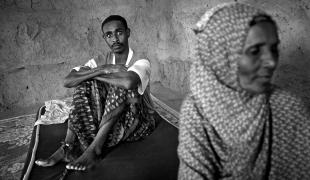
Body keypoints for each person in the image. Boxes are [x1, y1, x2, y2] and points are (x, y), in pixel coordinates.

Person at [177, 3, 310, 180]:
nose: (271, 62)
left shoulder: (288, 108)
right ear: (221, 56)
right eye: (254, 51)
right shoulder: (197, 111)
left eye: (273, 49)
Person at [35, 15, 156, 171]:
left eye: (119, 32)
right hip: (108, 117)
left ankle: (94, 149)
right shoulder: (100, 60)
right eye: (109, 35)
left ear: (128, 32)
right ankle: (68, 147)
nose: (115, 39)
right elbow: (68, 80)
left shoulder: (141, 60)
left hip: (137, 120)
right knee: (83, 83)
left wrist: (94, 73)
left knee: (120, 85)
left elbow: (128, 82)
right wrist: (102, 69)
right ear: (104, 38)